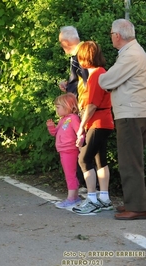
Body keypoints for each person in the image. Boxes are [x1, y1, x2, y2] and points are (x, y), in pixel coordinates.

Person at [99, 19, 146, 220]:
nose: (111, 36)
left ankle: (136, 207)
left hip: (131, 114)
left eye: (111, 33)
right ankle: (134, 202)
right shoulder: (133, 52)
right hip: (134, 112)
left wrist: (102, 80)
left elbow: (107, 80)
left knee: (130, 161)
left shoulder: (131, 55)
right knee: (132, 160)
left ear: (117, 35)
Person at [70, 41, 114, 215]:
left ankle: (92, 199)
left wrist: (81, 127)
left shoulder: (96, 75)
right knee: (99, 160)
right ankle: (104, 197)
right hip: (104, 122)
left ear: (85, 56)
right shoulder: (101, 72)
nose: (78, 59)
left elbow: (92, 105)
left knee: (83, 159)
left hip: (97, 122)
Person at [58, 26, 90, 191]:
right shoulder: (78, 55)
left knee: (80, 145)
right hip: (78, 108)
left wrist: (83, 106)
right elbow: (79, 81)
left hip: (82, 109)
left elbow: (87, 83)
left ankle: (85, 186)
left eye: (61, 43)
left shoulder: (82, 54)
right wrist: (68, 84)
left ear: (65, 42)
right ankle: (81, 184)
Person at [46, 93, 82, 209]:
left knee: (69, 174)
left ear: (67, 106)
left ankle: (72, 198)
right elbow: (55, 133)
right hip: (64, 150)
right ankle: (74, 196)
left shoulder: (73, 118)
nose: (56, 110)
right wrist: (51, 127)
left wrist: (80, 141)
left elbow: (79, 132)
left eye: (58, 107)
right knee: (70, 173)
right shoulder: (63, 120)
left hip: (69, 149)